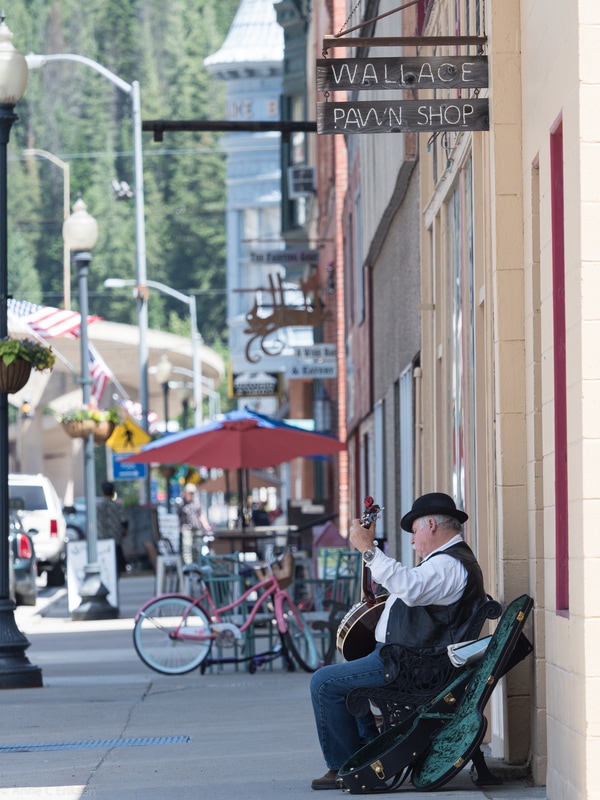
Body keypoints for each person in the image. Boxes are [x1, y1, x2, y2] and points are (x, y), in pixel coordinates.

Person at [309, 492, 487, 790]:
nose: (412, 541)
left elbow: (410, 588)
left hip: (414, 665)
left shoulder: (448, 565)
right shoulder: (444, 562)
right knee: (341, 678)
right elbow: (410, 589)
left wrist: (369, 550)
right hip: (408, 658)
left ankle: (344, 766)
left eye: (415, 531)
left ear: (431, 524)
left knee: (324, 683)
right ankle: (365, 753)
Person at [96, 481, 128, 575]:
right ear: (113, 492)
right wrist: (124, 531)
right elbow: (124, 521)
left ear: (102, 492)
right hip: (116, 540)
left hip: (102, 540)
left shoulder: (98, 507)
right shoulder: (117, 506)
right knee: (118, 564)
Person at [178, 483, 212, 564]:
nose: (190, 494)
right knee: (187, 547)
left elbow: (201, 514)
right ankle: (189, 566)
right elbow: (179, 517)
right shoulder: (181, 503)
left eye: (192, 493)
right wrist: (179, 528)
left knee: (198, 547)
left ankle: (197, 564)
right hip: (186, 528)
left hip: (197, 528)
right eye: (189, 492)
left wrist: (206, 526)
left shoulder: (197, 502)